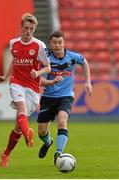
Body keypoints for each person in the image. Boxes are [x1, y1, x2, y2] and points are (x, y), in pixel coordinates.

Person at [0, 13, 51, 167]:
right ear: (21, 28)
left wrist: (38, 73)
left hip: (33, 87)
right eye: (26, 28)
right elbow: (14, 60)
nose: (28, 31)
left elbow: (48, 66)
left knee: (18, 125)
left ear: (34, 29)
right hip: (17, 82)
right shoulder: (13, 43)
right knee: (21, 107)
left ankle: (6, 153)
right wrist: (6, 76)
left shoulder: (39, 45)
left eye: (31, 29)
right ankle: (28, 133)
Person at [37, 30, 93, 164]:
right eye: (54, 42)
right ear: (50, 43)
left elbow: (84, 62)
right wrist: (50, 82)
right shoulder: (46, 59)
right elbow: (38, 79)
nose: (57, 45)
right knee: (41, 132)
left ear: (64, 43)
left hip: (66, 96)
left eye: (60, 42)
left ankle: (59, 153)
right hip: (48, 97)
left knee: (62, 121)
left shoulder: (72, 56)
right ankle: (48, 142)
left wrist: (88, 81)